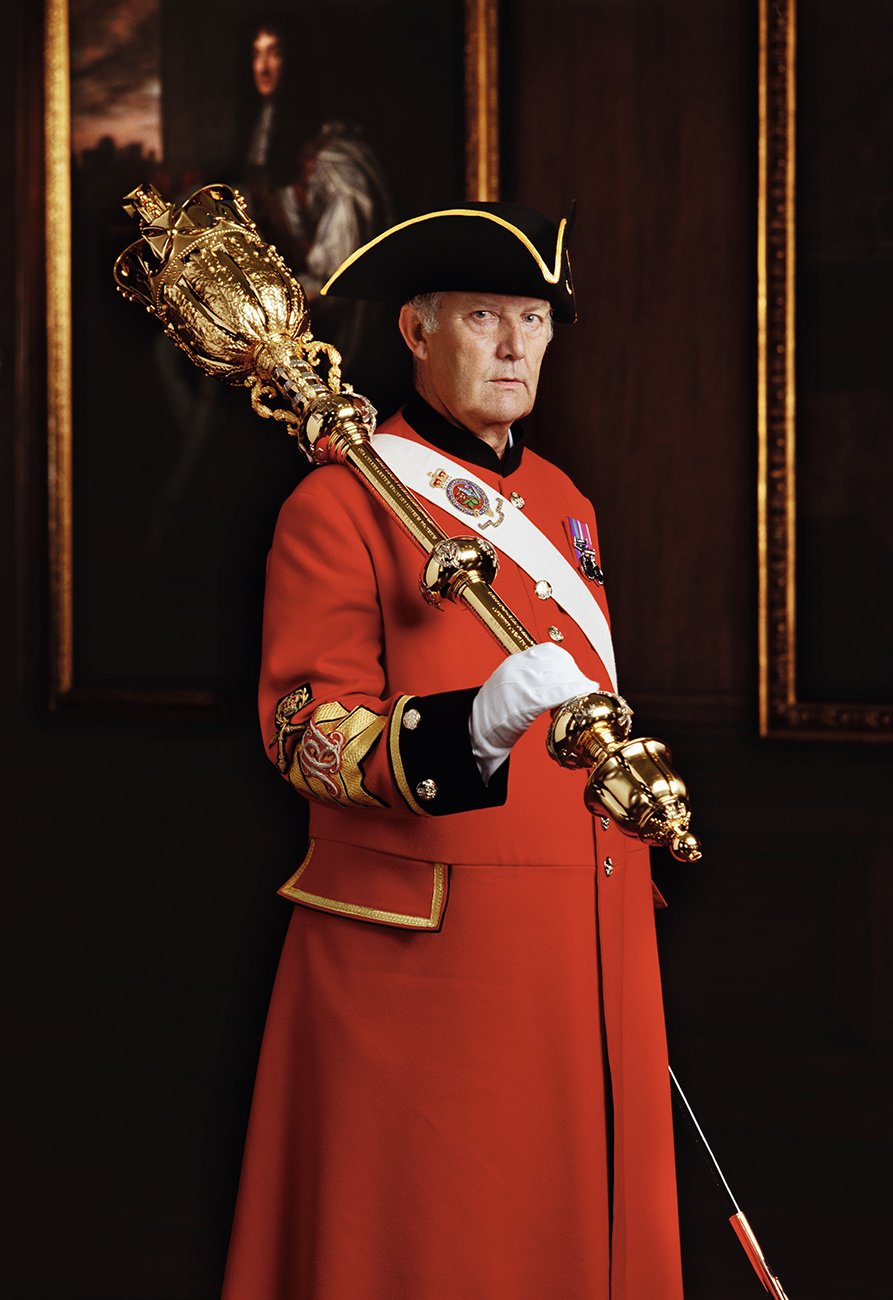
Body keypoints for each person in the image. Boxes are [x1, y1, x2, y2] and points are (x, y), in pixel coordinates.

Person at [221, 203, 684, 1299]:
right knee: (443, 1246)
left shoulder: (563, 501)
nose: (518, 344)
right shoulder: (336, 504)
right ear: (417, 332)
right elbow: (301, 729)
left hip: (584, 935)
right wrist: (459, 731)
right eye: (485, 316)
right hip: (427, 964)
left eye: (534, 319)